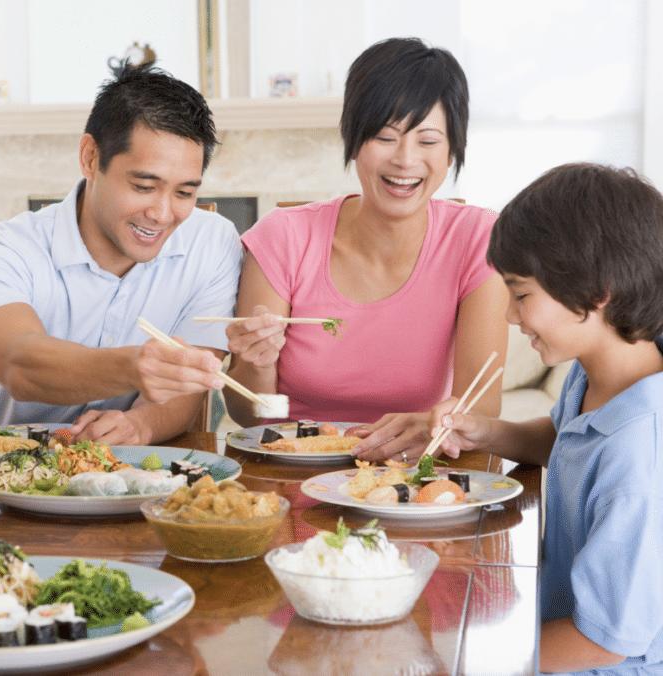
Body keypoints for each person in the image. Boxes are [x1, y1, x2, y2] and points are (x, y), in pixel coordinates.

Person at [223, 37, 508, 462]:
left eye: (427, 141)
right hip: (295, 468)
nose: (405, 160)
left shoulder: (478, 240)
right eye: (384, 137)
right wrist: (258, 364)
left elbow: (481, 408)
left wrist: (438, 425)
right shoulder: (283, 237)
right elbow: (249, 415)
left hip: (412, 474)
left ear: (452, 151)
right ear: (354, 141)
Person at [432, 163, 663, 675]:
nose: (511, 317)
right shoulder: (599, 375)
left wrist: (469, 662)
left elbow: (604, 641)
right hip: (556, 632)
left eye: (521, 295)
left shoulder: (638, 453)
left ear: (595, 291)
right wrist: (486, 430)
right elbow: (565, 438)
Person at [0, 63, 242, 446]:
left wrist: (140, 425)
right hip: (7, 470)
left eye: (185, 193)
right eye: (143, 186)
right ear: (90, 157)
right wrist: (133, 366)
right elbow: (20, 365)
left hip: (137, 474)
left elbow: (187, 389)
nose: (162, 213)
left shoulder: (214, 243)